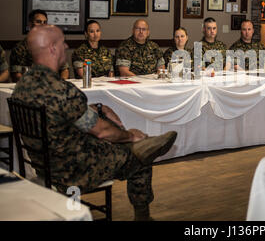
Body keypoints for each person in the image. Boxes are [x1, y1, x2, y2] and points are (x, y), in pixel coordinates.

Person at [12, 25, 177, 221]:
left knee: (118, 134)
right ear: (52, 48)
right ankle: (143, 215)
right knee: (140, 158)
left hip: (46, 163)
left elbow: (59, 112)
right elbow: (102, 132)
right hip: (74, 169)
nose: (66, 46)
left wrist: (97, 108)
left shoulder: (23, 86)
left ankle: (140, 145)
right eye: (61, 42)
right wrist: (130, 135)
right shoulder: (61, 89)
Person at [10, 10, 69, 82]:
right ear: (30, 24)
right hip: (30, 87)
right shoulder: (20, 48)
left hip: (53, 86)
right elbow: (17, 75)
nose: (42, 25)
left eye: (45, 22)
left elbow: (64, 69)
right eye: (38, 22)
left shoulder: (53, 45)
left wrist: (61, 83)